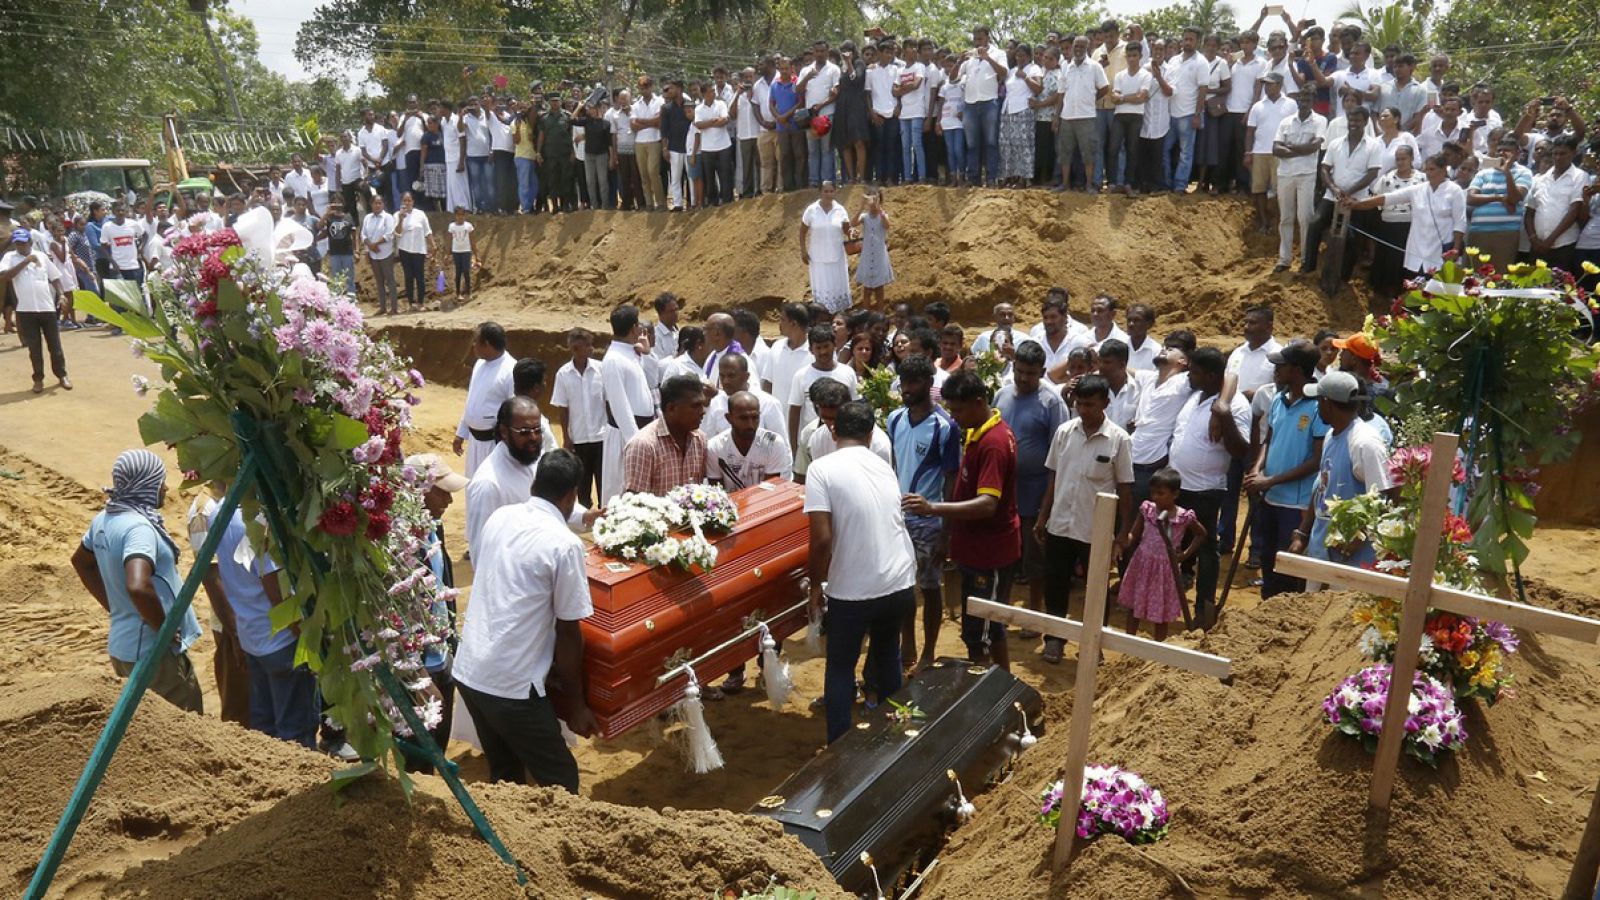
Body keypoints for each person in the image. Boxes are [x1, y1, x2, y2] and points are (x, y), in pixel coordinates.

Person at [454, 449, 598, 792]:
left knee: (505, 775)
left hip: (469, 672)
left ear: (535, 484)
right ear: (571, 496)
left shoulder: (501, 517)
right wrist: (576, 704)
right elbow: (567, 630)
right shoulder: (564, 544)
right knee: (561, 781)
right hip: (512, 686)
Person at [805, 400, 917, 743]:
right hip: (900, 582)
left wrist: (814, 588)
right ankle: (897, 736)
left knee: (840, 667)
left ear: (834, 430)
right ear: (870, 435)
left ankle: (839, 746)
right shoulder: (882, 464)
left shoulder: (821, 469)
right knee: (887, 657)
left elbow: (822, 538)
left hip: (854, 591)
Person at [70, 450, 205, 713]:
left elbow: (81, 563)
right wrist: (163, 629)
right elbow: (138, 585)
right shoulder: (138, 528)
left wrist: (117, 607)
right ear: (145, 484)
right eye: (159, 481)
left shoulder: (104, 519)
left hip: (123, 647)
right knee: (183, 730)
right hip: (152, 653)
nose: (165, 487)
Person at [904, 370, 1019, 669]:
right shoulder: (978, 432)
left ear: (978, 402)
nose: (953, 417)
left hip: (989, 554)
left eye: (958, 409)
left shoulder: (993, 443)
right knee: (988, 628)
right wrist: (947, 536)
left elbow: (986, 504)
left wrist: (933, 509)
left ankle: (988, 700)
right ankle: (1002, 690)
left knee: (978, 633)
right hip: (975, 548)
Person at [1034, 375, 1134, 662]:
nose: (1084, 410)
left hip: (1095, 529)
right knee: (1056, 584)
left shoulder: (1119, 440)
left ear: (1105, 402)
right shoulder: (1064, 432)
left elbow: (1126, 488)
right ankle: (1054, 639)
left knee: (1097, 589)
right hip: (1061, 524)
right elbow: (1053, 477)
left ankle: (1094, 644)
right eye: (1079, 404)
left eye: (1090, 404)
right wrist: (1043, 516)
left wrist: (1123, 532)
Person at [212, 505, 317, 747]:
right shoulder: (257, 518)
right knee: (295, 732)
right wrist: (304, 636)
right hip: (281, 640)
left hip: (251, 635)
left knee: (264, 729)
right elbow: (276, 590)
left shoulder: (219, 511)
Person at [885, 355, 962, 670]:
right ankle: (908, 647)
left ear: (929, 384)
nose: (906, 389)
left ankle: (929, 651)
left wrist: (946, 531)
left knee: (930, 588)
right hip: (898, 518)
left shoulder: (945, 426)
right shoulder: (894, 419)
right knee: (903, 587)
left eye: (914, 382)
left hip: (930, 521)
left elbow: (951, 480)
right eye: (903, 382)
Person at [1166, 348, 1250, 626]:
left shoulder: (1235, 406)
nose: (1190, 374)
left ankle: (1204, 607)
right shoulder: (1195, 396)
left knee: (1205, 547)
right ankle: (1165, 600)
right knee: (1168, 543)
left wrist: (1223, 415)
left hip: (1205, 489)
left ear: (1211, 375)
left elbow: (1240, 449)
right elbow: (1232, 374)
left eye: (1196, 371)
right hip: (1177, 485)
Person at [1244, 342, 1327, 598]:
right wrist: (1257, 470)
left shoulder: (1317, 407)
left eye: (1281, 366)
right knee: (1267, 561)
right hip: (1270, 498)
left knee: (1289, 569)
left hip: (1297, 505)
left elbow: (1316, 461)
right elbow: (1269, 438)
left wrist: (1269, 481)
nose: (1275, 370)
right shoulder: (1279, 399)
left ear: (1298, 369)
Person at [1289, 372, 1396, 571]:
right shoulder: (1332, 434)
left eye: (1318, 400)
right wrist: (1303, 533)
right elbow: (1321, 487)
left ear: (1326, 402)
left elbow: (1386, 497)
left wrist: (1358, 536)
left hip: (1351, 563)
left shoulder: (1364, 442)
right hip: (1322, 551)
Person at [996, 340, 1068, 624]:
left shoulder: (1052, 403)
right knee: (1003, 554)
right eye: (1020, 371)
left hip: (1036, 492)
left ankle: (1035, 614)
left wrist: (1047, 503)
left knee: (1035, 557)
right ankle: (1001, 611)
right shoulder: (1001, 396)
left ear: (1043, 371)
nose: (1024, 378)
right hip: (1003, 490)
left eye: (1031, 373)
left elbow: (1058, 456)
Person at [1340, 152, 1466, 278]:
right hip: (1417, 249)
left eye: (1432, 169)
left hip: (1440, 250)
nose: (1428, 173)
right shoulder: (1418, 189)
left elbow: (1460, 221)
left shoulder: (1455, 191)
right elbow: (1386, 198)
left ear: (1444, 169)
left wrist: (1455, 249)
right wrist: (1356, 204)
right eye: (1426, 169)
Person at [1117, 467, 1206, 641]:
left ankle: (1159, 646)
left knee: (1161, 612)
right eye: (1153, 492)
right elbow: (1134, 534)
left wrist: (1185, 554)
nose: (1155, 497)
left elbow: (1202, 534)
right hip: (1142, 564)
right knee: (1134, 607)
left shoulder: (1183, 517)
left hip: (1166, 570)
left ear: (1175, 494)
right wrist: (1122, 541)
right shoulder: (1147, 509)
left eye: (1161, 493)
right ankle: (1129, 642)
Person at [465, 396, 547, 561]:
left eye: (537, 430)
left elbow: (550, 506)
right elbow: (481, 554)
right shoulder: (488, 485)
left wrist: (587, 516)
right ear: (504, 432)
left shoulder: (534, 457)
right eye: (524, 432)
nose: (533, 438)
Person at [1304, 106, 1381, 276]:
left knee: (1353, 238)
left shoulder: (1374, 145)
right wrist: (1334, 189)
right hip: (1332, 197)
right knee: (1315, 224)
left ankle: (1344, 276)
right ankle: (1308, 267)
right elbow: (1324, 168)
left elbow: (1372, 173)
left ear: (1366, 122)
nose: (1353, 124)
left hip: (1357, 200)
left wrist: (1349, 192)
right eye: (1351, 120)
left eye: (1357, 121)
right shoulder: (1335, 143)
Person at [600, 305, 657, 503]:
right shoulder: (613, 359)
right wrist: (635, 442)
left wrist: (647, 353)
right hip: (626, 435)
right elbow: (619, 405)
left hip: (643, 430)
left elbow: (650, 381)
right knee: (622, 492)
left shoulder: (632, 352)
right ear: (634, 328)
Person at [2, 229, 70, 394]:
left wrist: (61, 294)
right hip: (26, 311)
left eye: (23, 243)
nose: (20, 246)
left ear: (30, 243)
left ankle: (62, 375)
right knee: (34, 348)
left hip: (47, 308)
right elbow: (4, 276)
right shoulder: (9, 258)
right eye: (17, 243)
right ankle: (38, 379)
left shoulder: (42, 256)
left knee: (55, 346)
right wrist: (25, 261)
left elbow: (55, 277)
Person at [623, 374, 708, 495]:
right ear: (671, 408)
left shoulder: (700, 440)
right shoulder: (644, 446)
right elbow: (635, 505)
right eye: (695, 406)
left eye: (702, 404)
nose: (703, 411)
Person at [453, 322, 517, 482]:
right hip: (474, 442)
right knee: (473, 485)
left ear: (487, 343)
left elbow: (515, 411)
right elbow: (472, 400)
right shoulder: (479, 364)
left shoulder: (510, 370)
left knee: (491, 487)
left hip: (495, 445)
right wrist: (461, 433)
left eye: (476, 340)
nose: (473, 345)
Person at [1272, 89, 1328, 272]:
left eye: (1308, 98)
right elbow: (1275, 149)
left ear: (1314, 100)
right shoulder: (1286, 121)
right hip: (1285, 174)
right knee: (1286, 218)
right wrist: (1301, 150)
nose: (1304, 101)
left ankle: (1306, 259)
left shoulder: (1320, 120)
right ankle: (1284, 259)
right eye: (1302, 98)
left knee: (1305, 217)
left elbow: (1314, 147)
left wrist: (1290, 147)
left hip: (1307, 174)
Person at [550, 328, 606, 507]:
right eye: (587, 346)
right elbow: (563, 408)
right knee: (582, 482)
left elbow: (609, 402)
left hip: (601, 436)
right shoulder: (563, 374)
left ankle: (603, 515)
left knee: (604, 480)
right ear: (574, 349)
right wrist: (567, 437)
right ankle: (585, 517)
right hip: (579, 438)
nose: (591, 349)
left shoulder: (601, 370)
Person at [1522, 133, 1588, 273]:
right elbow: (1529, 212)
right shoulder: (1540, 179)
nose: (1558, 157)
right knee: (1533, 288)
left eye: (1563, 153)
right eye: (1555, 153)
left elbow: (1574, 210)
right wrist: (1533, 239)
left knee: (1559, 289)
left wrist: (1550, 240)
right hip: (1537, 245)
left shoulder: (1580, 177)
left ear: (1573, 153)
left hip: (1564, 245)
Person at [1465, 135, 1533, 270]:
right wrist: (1500, 197)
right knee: (1473, 275)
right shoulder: (1484, 173)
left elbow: (1514, 198)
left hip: (1505, 233)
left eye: (1507, 150)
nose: (1502, 153)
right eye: (1499, 150)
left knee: (1500, 275)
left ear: (1517, 153)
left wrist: (1507, 172)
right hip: (1478, 231)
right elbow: (1471, 198)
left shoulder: (1523, 172)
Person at [1369, 145, 1427, 296]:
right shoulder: (1386, 178)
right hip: (1389, 225)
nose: (1400, 162)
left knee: (1405, 259)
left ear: (1411, 159)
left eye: (1404, 159)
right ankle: (1384, 290)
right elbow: (1375, 199)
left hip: (1412, 226)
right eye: (1397, 159)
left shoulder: (1422, 179)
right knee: (1389, 258)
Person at [706, 391, 794, 489]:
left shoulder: (773, 443)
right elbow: (717, 493)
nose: (750, 424)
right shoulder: (715, 447)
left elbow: (770, 490)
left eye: (755, 417)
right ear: (729, 418)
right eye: (743, 418)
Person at [960, 26, 1009, 186]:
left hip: (989, 102)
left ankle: (991, 178)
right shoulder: (970, 57)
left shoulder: (999, 53)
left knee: (990, 142)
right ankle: (973, 178)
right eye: (975, 39)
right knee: (972, 143)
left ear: (987, 38)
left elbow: (1003, 73)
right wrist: (961, 60)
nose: (977, 42)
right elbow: (954, 77)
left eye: (980, 38)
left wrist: (988, 58)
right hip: (970, 104)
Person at [704, 352, 786, 442]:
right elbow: (710, 441)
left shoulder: (769, 404)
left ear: (746, 376)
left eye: (731, 376)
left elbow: (782, 445)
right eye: (722, 376)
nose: (726, 381)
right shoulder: (716, 403)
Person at [800, 181, 852, 314]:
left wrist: (852, 232)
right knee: (823, 289)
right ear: (820, 192)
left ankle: (839, 317)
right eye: (825, 191)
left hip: (837, 257)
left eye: (831, 191)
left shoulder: (840, 210)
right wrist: (803, 250)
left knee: (837, 286)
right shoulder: (811, 210)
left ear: (835, 192)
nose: (828, 194)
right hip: (818, 258)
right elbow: (802, 231)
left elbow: (847, 229)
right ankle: (823, 317)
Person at [798, 41, 842, 186]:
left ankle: (827, 182)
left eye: (822, 51)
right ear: (813, 52)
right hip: (810, 117)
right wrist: (807, 78)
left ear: (827, 52)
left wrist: (821, 105)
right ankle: (814, 182)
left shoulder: (834, 69)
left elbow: (836, 92)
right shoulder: (806, 70)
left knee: (827, 149)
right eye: (817, 51)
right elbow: (797, 90)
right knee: (812, 150)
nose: (819, 54)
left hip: (827, 114)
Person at [392, 193, 433, 313]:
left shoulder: (420, 214)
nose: (407, 203)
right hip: (405, 249)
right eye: (404, 201)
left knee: (420, 277)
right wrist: (400, 219)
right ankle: (411, 303)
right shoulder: (397, 215)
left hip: (419, 249)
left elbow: (427, 231)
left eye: (409, 200)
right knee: (408, 277)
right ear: (401, 202)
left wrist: (433, 245)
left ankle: (420, 302)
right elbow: (397, 233)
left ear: (413, 201)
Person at [852, 187, 893, 307]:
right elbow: (853, 223)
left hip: (880, 255)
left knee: (879, 290)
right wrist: (861, 206)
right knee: (867, 290)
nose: (873, 203)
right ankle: (866, 317)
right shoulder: (864, 216)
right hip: (867, 254)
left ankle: (880, 316)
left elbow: (887, 225)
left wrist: (879, 208)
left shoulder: (883, 215)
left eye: (876, 199)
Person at [360, 193, 398, 314]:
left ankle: (394, 308)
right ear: (371, 204)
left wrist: (375, 244)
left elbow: (389, 234)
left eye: (379, 203)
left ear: (383, 204)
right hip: (373, 254)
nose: (377, 205)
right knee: (379, 281)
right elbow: (363, 234)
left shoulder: (388, 218)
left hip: (385, 253)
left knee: (390, 280)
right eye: (375, 203)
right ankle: (382, 308)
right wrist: (369, 246)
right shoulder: (367, 218)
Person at [320, 198, 356, 294]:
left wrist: (356, 251)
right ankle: (337, 301)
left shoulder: (348, 217)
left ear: (343, 204)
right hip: (334, 253)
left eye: (339, 202)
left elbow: (354, 235)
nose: (337, 205)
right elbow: (321, 228)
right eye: (334, 202)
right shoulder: (329, 218)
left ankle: (351, 300)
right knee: (335, 279)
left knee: (349, 279)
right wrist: (326, 214)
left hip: (347, 252)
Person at [445, 206, 475, 307]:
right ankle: (458, 293)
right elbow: (449, 240)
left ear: (465, 215)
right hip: (456, 251)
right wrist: (447, 253)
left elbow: (472, 240)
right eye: (458, 215)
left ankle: (468, 293)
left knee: (466, 271)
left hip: (466, 251)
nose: (460, 217)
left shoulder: (468, 226)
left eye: (462, 215)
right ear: (455, 215)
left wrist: (476, 254)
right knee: (458, 272)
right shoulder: (452, 226)